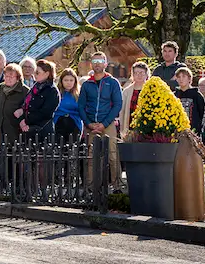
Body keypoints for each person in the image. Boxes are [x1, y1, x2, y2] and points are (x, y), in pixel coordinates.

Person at [78, 52, 123, 189]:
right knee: (91, 158)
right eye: (94, 60)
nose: (97, 63)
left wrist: (104, 124)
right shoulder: (86, 84)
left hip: (107, 124)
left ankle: (117, 187)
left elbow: (117, 104)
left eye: (100, 60)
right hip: (91, 125)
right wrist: (89, 123)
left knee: (113, 156)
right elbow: (80, 106)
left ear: (105, 63)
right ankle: (91, 187)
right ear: (91, 63)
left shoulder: (113, 82)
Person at [15, 60, 60, 143]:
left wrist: (26, 121)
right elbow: (25, 104)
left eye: (37, 72)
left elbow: (45, 112)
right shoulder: (35, 87)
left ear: (47, 73)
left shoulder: (52, 91)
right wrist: (21, 119)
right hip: (29, 130)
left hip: (43, 130)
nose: (34, 75)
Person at [0, 63, 29, 144]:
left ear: (18, 78)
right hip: (1, 126)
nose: (8, 79)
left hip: (15, 127)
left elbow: (28, 108)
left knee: (14, 152)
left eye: (11, 77)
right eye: (6, 76)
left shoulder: (25, 91)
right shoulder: (1, 87)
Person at [119, 62, 150, 139]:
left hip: (147, 128)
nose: (139, 75)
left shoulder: (151, 90)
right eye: (136, 73)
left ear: (146, 74)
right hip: (130, 127)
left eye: (141, 73)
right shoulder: (126, 91)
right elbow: (122, 111)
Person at [174, 67, 205, 136]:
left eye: (183, 76)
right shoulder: (174, 95)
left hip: (193, 132)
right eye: (179, 77)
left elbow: (204, 113)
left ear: (189, 78)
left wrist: (199, 129)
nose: (181, 79)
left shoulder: (197, 95)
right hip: (177, 132)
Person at [53, 68, 83, 143]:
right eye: (66, 80)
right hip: (58, 123)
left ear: (75, 81)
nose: (68, 83)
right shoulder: (56, 93)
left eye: (71, 80)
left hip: (74, 124)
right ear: (61, 81)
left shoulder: (79, 95)